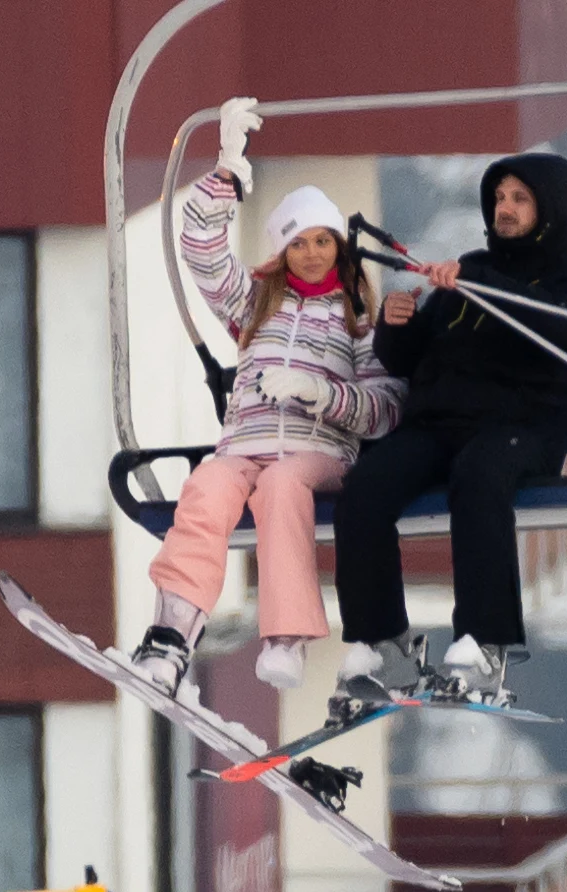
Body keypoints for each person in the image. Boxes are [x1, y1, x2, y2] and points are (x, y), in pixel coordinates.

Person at [131, 98, 406, 694]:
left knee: (282, 485)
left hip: (319, 453)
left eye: (322, 241)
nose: (312, 253)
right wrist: (227, 171)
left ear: (340, 247)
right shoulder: (256, 305)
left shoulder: (358, 320)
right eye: (298, 243)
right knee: (206, 487)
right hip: (244, 446)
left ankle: (286, 636)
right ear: (281, 253)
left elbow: (385, 408)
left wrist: (319, 392)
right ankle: (171, 634)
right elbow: (201, 250)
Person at [331, 152, 567, 705]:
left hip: (519, 430)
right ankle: (385, 647)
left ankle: (485, 646)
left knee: (479, 477)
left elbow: (561, 330)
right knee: (363, 488)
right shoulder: (468, 274)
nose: (504, 208)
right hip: (438, 426)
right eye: (499, 198)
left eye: (520, 199)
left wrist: (480, 281)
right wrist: (396, 327)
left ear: (552, 209)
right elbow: (408, 361)